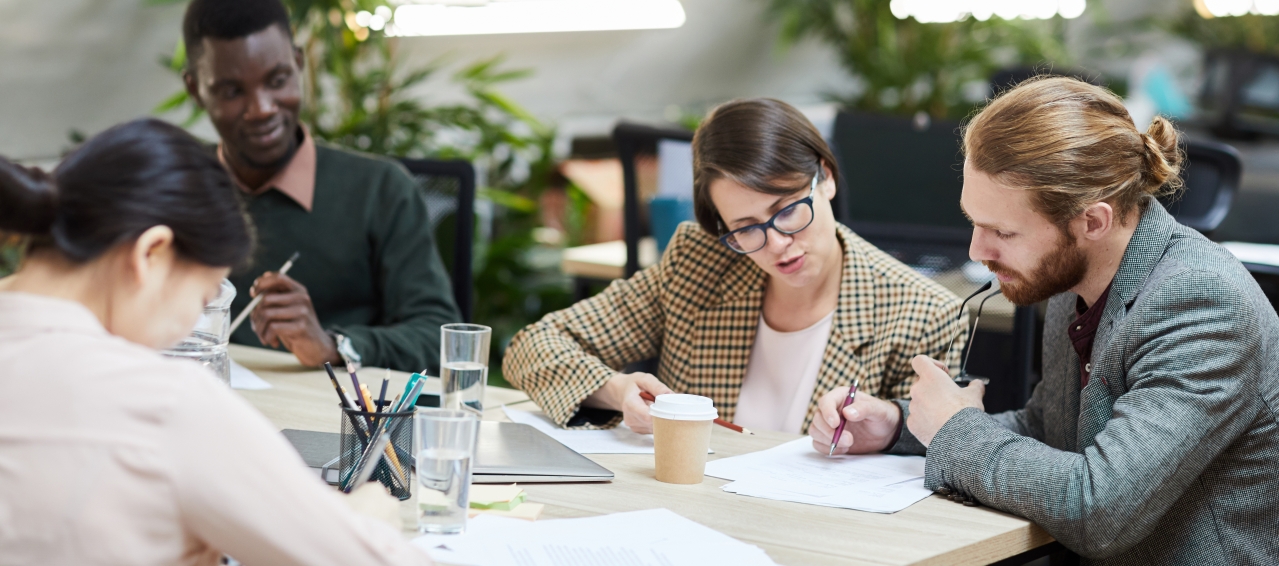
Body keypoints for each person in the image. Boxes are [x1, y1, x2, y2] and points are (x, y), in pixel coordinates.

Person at [814, 77, 1279, 563]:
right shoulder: (1076, 275)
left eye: (1003, 231)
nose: (978, 251)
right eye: (975, 222)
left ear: (1093, 222)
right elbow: (1048, 429)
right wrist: (899, 426)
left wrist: (956, 428)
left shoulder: (1201, 303)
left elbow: (1100, 510)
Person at [0, 118, 431, 565]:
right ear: (151, 254)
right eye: (204, 298)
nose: (190, 329)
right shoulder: (164, 405)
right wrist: (368, 520)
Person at [503, 98, 965, 435]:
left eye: (787, 209)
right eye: (746, 227)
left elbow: (939, 447)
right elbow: (533, 346)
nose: (779, 244)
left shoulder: (924, 313)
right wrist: (616, 389)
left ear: (824, 177)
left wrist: (885, 434)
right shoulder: (702, 264)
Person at [181, 0, 459, 373]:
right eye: (232, 91)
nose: (262, 108)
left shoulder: (380, 190)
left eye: (277, 80)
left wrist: (333, 345)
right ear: (196, 89)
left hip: (333, 420)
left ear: (298, 63)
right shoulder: (175, 186)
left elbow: (438, 337)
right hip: (197, 406)